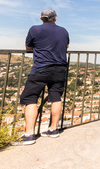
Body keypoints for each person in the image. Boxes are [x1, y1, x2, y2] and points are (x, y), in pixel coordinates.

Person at [14, 9, 69, 145]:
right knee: (56, 97)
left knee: (30, 98)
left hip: (41, 68)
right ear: (55, 18)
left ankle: (29, 134)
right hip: (60, 68)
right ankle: (53, 130)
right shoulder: (64, 31)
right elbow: (66, 46)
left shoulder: (34, 29)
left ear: (41, 18)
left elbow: (28, 47)